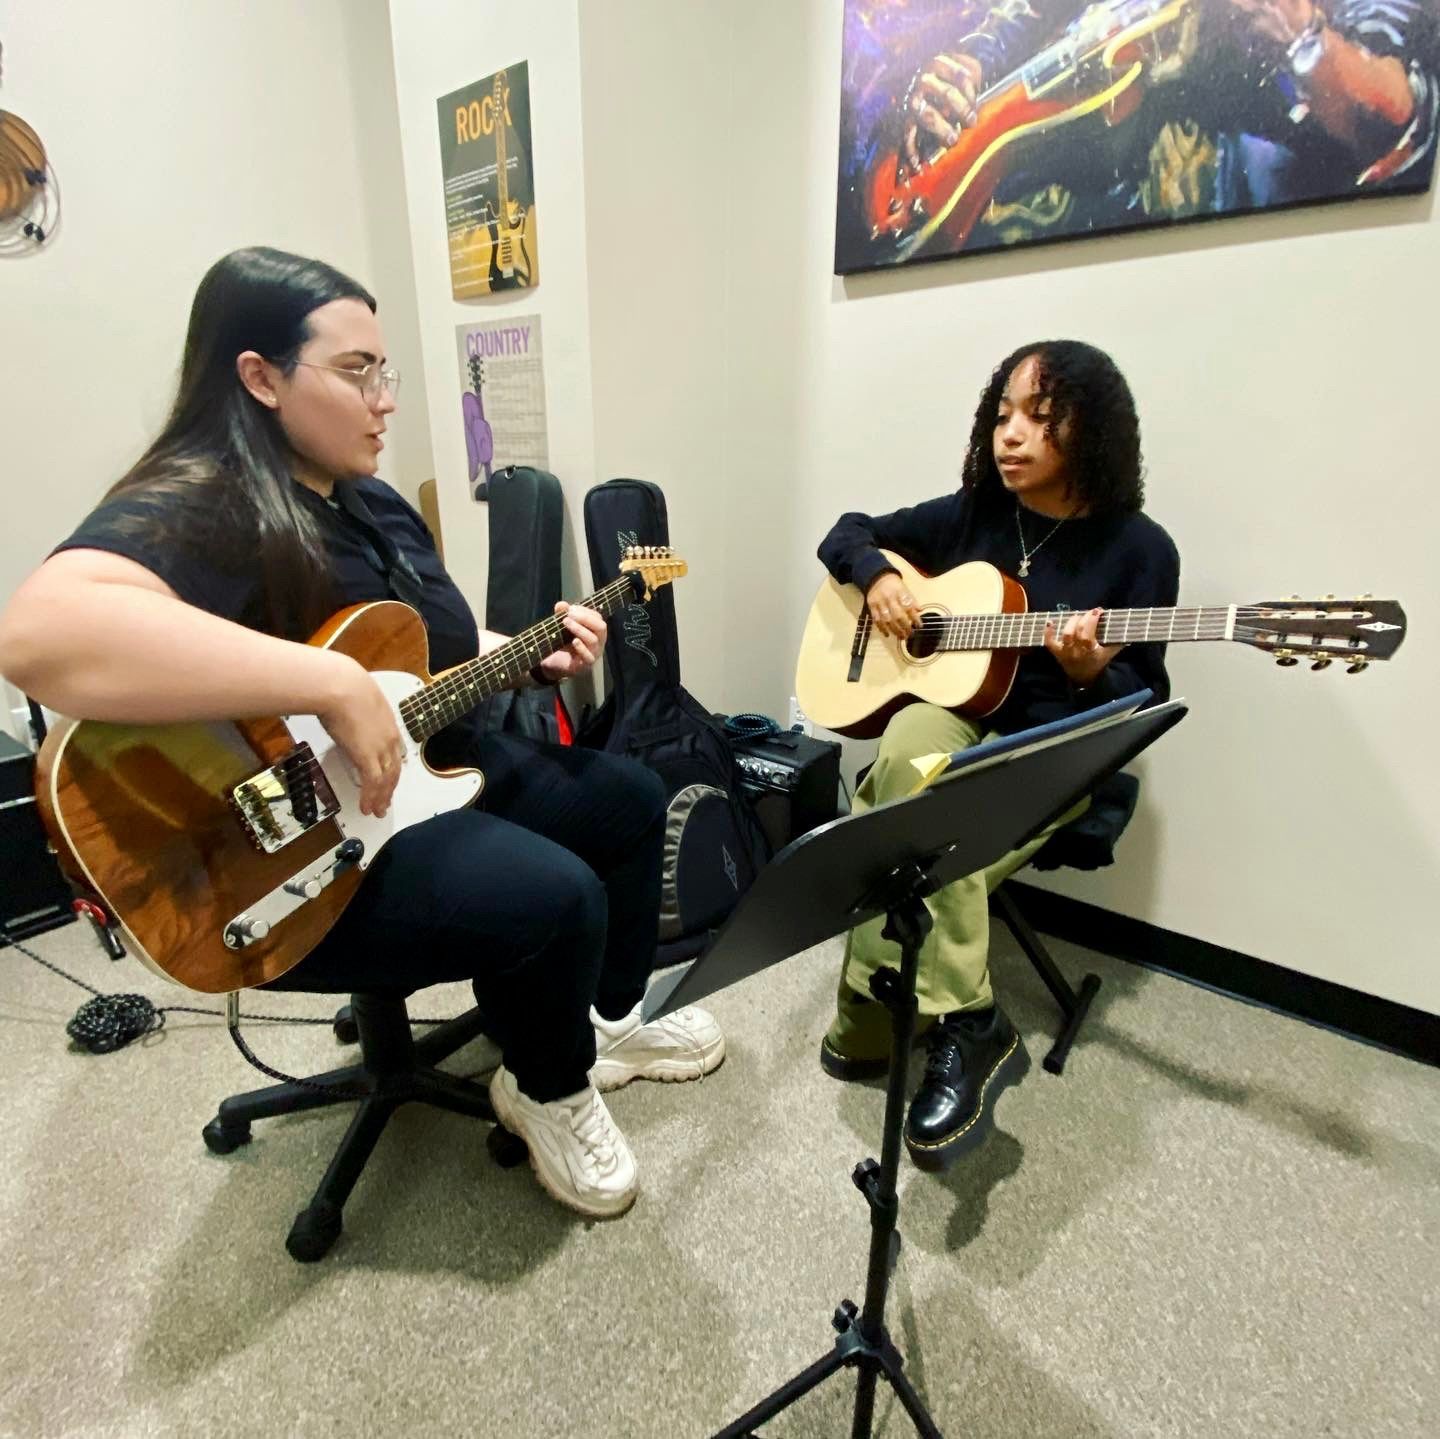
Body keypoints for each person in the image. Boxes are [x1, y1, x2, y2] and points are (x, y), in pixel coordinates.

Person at [0, 246, 724, 1220]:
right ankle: (545, 1085)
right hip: (293, 843)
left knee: (631, 803)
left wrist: (529, 648)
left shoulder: (374, 499)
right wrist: (328, 681)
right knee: (560, 898)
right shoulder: (208, 505)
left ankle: (602, 1022)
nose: (386, 396)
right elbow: (39, 633)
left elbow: (409, 664)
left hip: (423, 760)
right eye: (356, 371)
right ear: (258, 377)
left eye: (385, 369)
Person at [816, 339, 1179, 1171]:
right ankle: (958, 1017)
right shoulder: (976, 514)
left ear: (1090, 434)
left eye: (1038, 418)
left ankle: (895, 1019)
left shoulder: (1140, 551)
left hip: (1052, 750)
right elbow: (847, 532)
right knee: (906, 752)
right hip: (959, 721)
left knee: (927, 830)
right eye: (1002, 414)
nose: (1009, 435)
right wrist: (876, 578)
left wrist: (1091, 673)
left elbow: (1141, 703)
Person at [894, 0, 1437, 242]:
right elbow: (1019, 18)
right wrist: (968, 64)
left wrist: (1304, 41)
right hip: (1038, 219)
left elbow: (1389, 113)